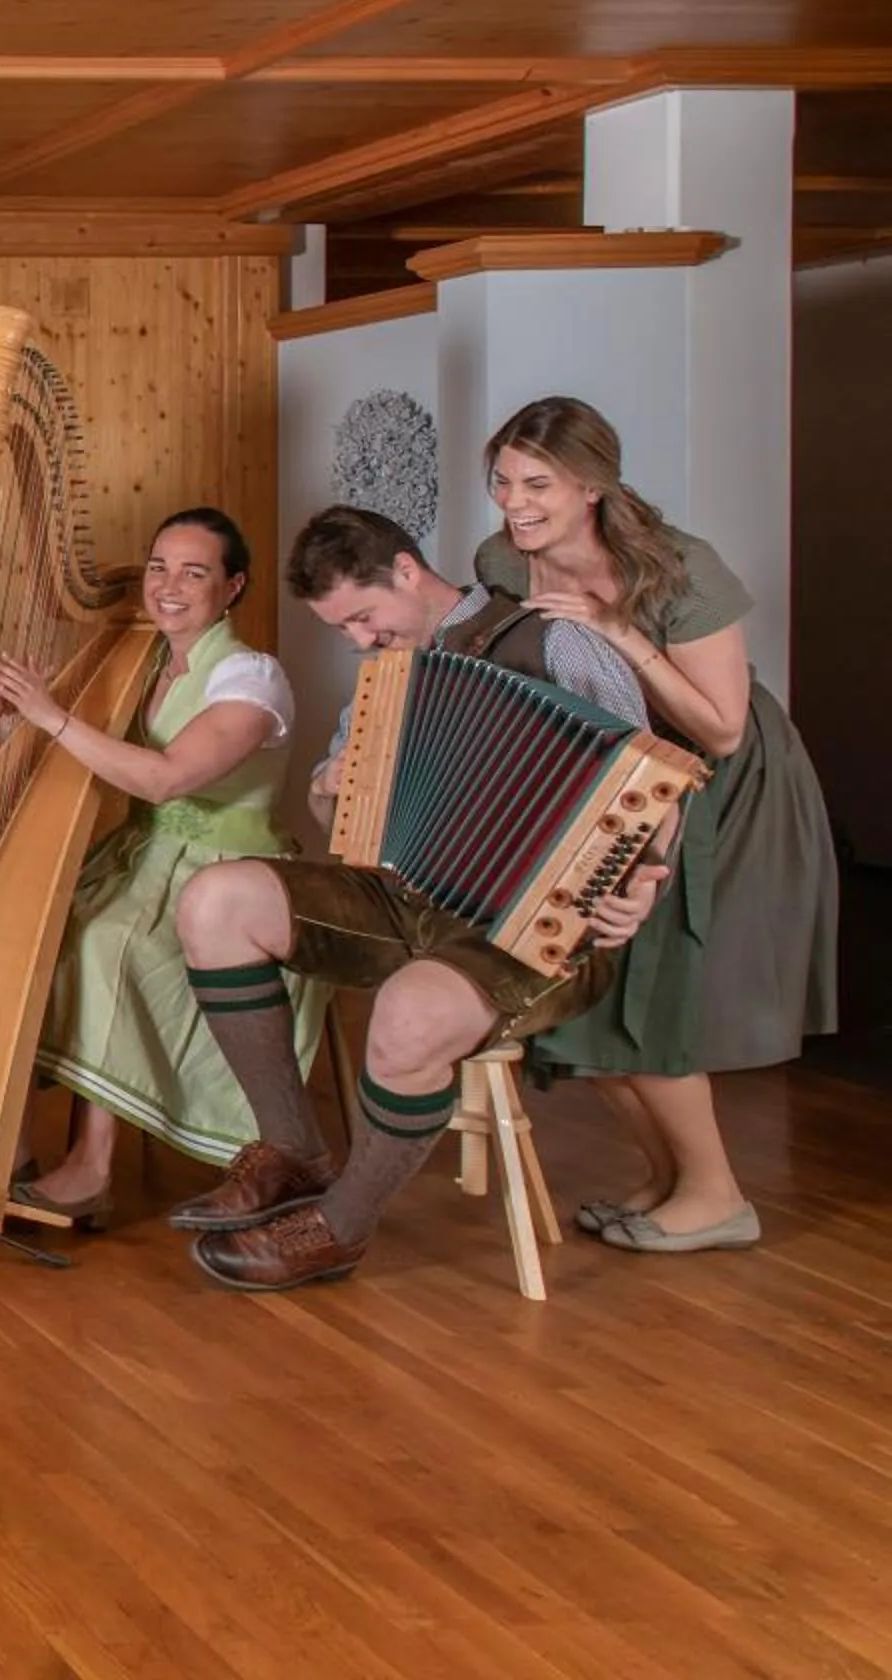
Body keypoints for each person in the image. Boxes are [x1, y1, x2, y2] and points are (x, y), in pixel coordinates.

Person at [169, 505, 662, 1292]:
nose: (360, 639)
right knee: (215, 901)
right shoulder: (387, 675)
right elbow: (344, 827)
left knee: (409, 1010)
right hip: (407, 900)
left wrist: (638, 886)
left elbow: (649, 783)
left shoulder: (553, 642)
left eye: (364, 617)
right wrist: (332, 789)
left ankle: (340, 1226)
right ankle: (293, 1151)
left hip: (536, 927)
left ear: (406, 571)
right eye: (343, 629)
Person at [475, 398, 837, 1254]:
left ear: (592, 486)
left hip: (723, 780)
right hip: (616, 774)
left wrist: (617, 632)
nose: (515, 502)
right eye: (503, 481)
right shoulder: (503, 559)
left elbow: (722, 728)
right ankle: (667, 1177)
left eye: (537, 484)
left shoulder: (680, 568)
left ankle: (716, 1195)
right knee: (594, 984)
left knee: (660, 983)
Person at [0, 509, 317, 1224]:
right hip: (144, 858)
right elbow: (96, 766)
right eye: (159, 567)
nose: (168, 586)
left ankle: (92, 1169)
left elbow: (165, 779)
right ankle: (4, 1144)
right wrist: (18, 718)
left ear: (232, 587)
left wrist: (52, 716)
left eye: (194, 573)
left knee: (106, 943)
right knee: (25, 930)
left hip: (229, 878)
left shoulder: (251, 677)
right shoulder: (144, 664)